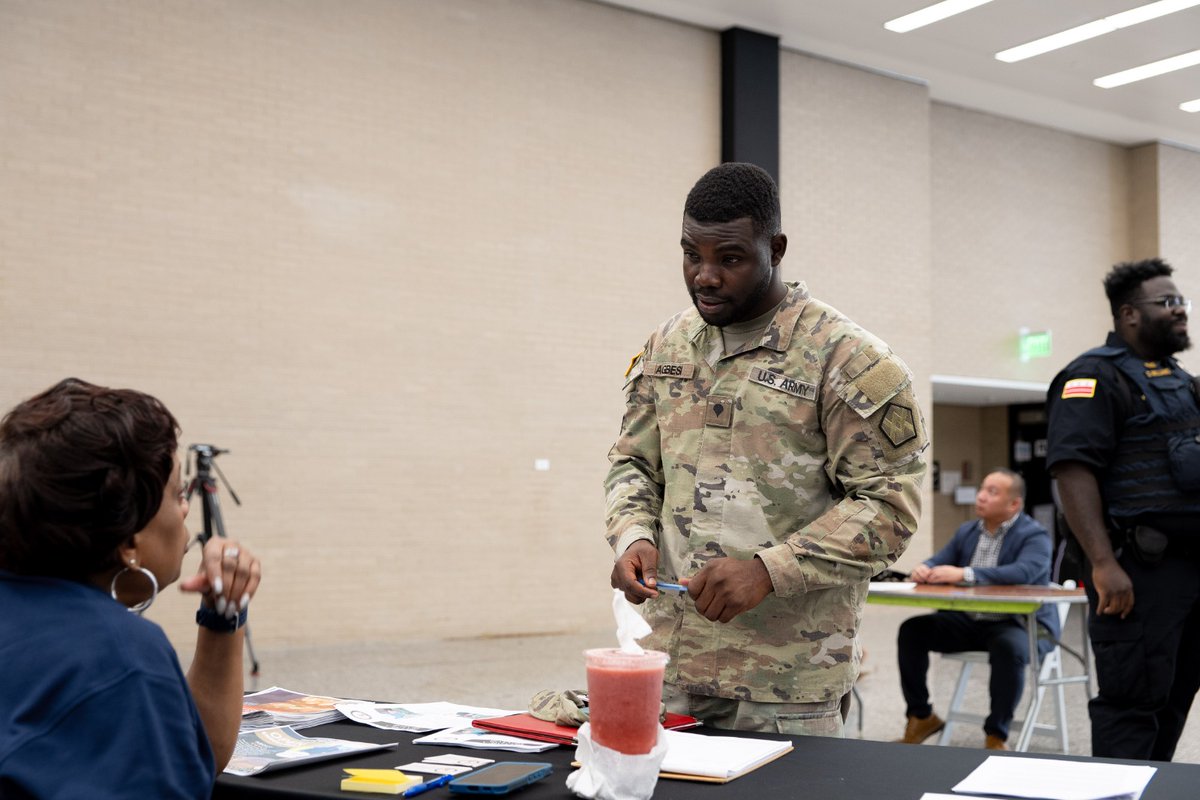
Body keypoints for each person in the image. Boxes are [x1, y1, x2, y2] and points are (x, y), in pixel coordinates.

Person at [605, 162, 928, 737]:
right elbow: (633, 463)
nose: (705, 276)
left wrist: (768, 570)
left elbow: (889, 508)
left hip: (786, 683)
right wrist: (633, 536)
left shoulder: (845, 359)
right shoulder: (667, 346)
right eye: (691, 255)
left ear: (775, 249)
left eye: (730, 258)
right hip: (673, 665)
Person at [0, 378, 262, 798]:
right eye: (177, 494)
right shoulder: (121, 656)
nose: (185, 510)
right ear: (129, 542)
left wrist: (223, 613)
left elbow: (191, 755)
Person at [1046, 258, 1200, 761]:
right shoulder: (1093, 376)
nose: (1181, 311)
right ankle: (1117, 792)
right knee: (1131, 702)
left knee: (1174, 697)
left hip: (1188, 573)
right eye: (1168, 302)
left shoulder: (1181, 381)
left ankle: (1150, 789)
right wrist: (1102, 563)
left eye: (1182, 301)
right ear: (1129, 313)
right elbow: (1073, 470)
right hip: (1136, 569)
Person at [895, 469, 1058, 751]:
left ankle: (996, 735)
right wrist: (925, 568)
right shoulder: (968, 531)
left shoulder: (1035, 535)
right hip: (969, 621)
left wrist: (965, 574)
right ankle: (921, 716)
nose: (981, 496)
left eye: (992, 492)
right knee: (912, 631)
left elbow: (1024, 572)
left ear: (1014, 504)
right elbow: (940, 560)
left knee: (1009, 648)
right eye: (982, 489)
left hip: (1016, 624)